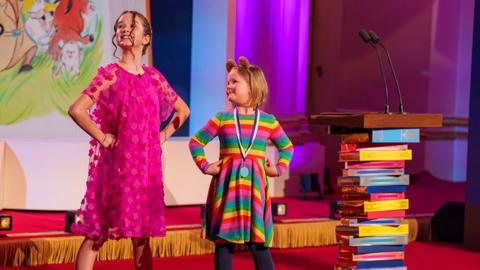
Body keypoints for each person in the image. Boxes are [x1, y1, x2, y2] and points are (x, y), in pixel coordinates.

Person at [68, 10, 190, 270]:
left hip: (145, 170)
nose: (124, 29)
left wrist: (163, 136)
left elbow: (183, 110)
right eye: (120, 25)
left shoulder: (154, 77)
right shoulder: (110, 74)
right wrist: (103, 137)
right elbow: (77, 109)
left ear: (146, 38)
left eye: (132, 25)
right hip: (115, 169)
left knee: (142, 237)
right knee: (96, 234)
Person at [188, 56, 294, 270]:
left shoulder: (268, 121)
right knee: (224, 243)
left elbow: (287, 147)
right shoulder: (222, 119)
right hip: (227, 190)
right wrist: (205, 165)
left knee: (258, 243)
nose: (228, 86)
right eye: (227, 82)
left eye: (234, 82)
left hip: (255, 191)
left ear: (252, 87)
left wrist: (279, 168)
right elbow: (196, 142)